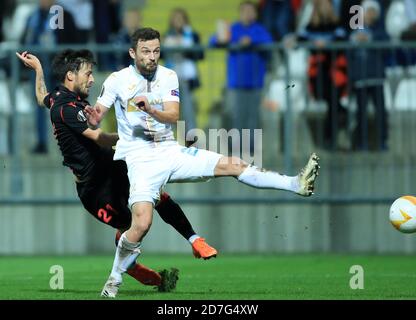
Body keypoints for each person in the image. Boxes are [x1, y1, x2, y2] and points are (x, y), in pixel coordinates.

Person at [84, 27, 320, 298]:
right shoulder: (117, 80)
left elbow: (173, 116)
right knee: (142, 224)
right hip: (139, 158)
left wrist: (150, 109)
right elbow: (98, 113)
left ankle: (295, 183)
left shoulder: (168, 75)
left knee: (233, 164)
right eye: (146, 51)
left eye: (156, 51)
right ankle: (113, 281)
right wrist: (93, 118)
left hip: (170, 151)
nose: (151, 57)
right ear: (132, 53)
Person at [16, 49, 218, 290]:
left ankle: (195, 240)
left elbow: (41, 97)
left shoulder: (59, 97)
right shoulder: (67, 107)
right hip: (94, 188)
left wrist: (38, 69)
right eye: (88, 74)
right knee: (130, 225)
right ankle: (130, 266)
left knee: (156, 195)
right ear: (71, 76)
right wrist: (133, 134)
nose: (92, 79)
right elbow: (99, 138)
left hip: (113, 167)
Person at [208, 1, 273, 154]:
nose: (248, 14)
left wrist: (251, 42)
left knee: (252, 118)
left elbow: (269, 43)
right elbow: (213, 41)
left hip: (255, 83)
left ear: (255, 13)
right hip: (235, 83)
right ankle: (236, 150)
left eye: (251, 11)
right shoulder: (233, 29)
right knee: (236, 116)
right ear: (240, 13)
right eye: (245, 11)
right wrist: (220, 40)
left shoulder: (259, 30)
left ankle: (251, 151)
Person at [348, 0, 388, 150]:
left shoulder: (379, 30)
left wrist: (370, 38)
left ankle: (383, 141)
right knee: (361, 113)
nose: (371, 14)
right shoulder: (354, 29)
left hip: (376, 77)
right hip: (361, 78)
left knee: (381, 112)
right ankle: (361, 142)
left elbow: (386, 41)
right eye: (368, 11)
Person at [163, 7, 203, 134]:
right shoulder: (166, 35)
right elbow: (161, 56)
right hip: (171, 80)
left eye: (181, 18)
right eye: (176, 18)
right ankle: (175, 142)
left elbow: (201, 55)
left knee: (188, 111)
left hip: (187, 79)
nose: (178, 21)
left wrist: (184, 49)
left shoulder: (193, 35)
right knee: (172, 112)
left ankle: (192, 142)